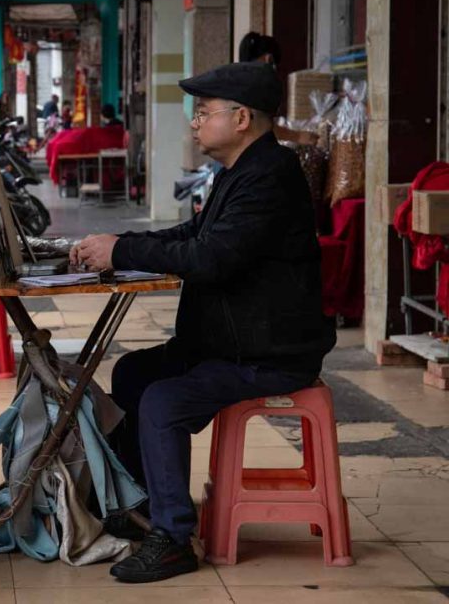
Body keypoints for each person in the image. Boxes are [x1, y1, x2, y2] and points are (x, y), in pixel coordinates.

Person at [70, 61, 335, 583]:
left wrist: (122, 249)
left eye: (203, 112)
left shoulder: (269, 179)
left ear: (241, 118)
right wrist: (120, 244)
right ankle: (139, 502)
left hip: (268, 354)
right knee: (133, 375)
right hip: (229, 342)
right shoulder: (242, 172)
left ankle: (172, 539)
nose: (194, 123)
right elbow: (194, 232)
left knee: (164, 401)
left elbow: (213, 257)